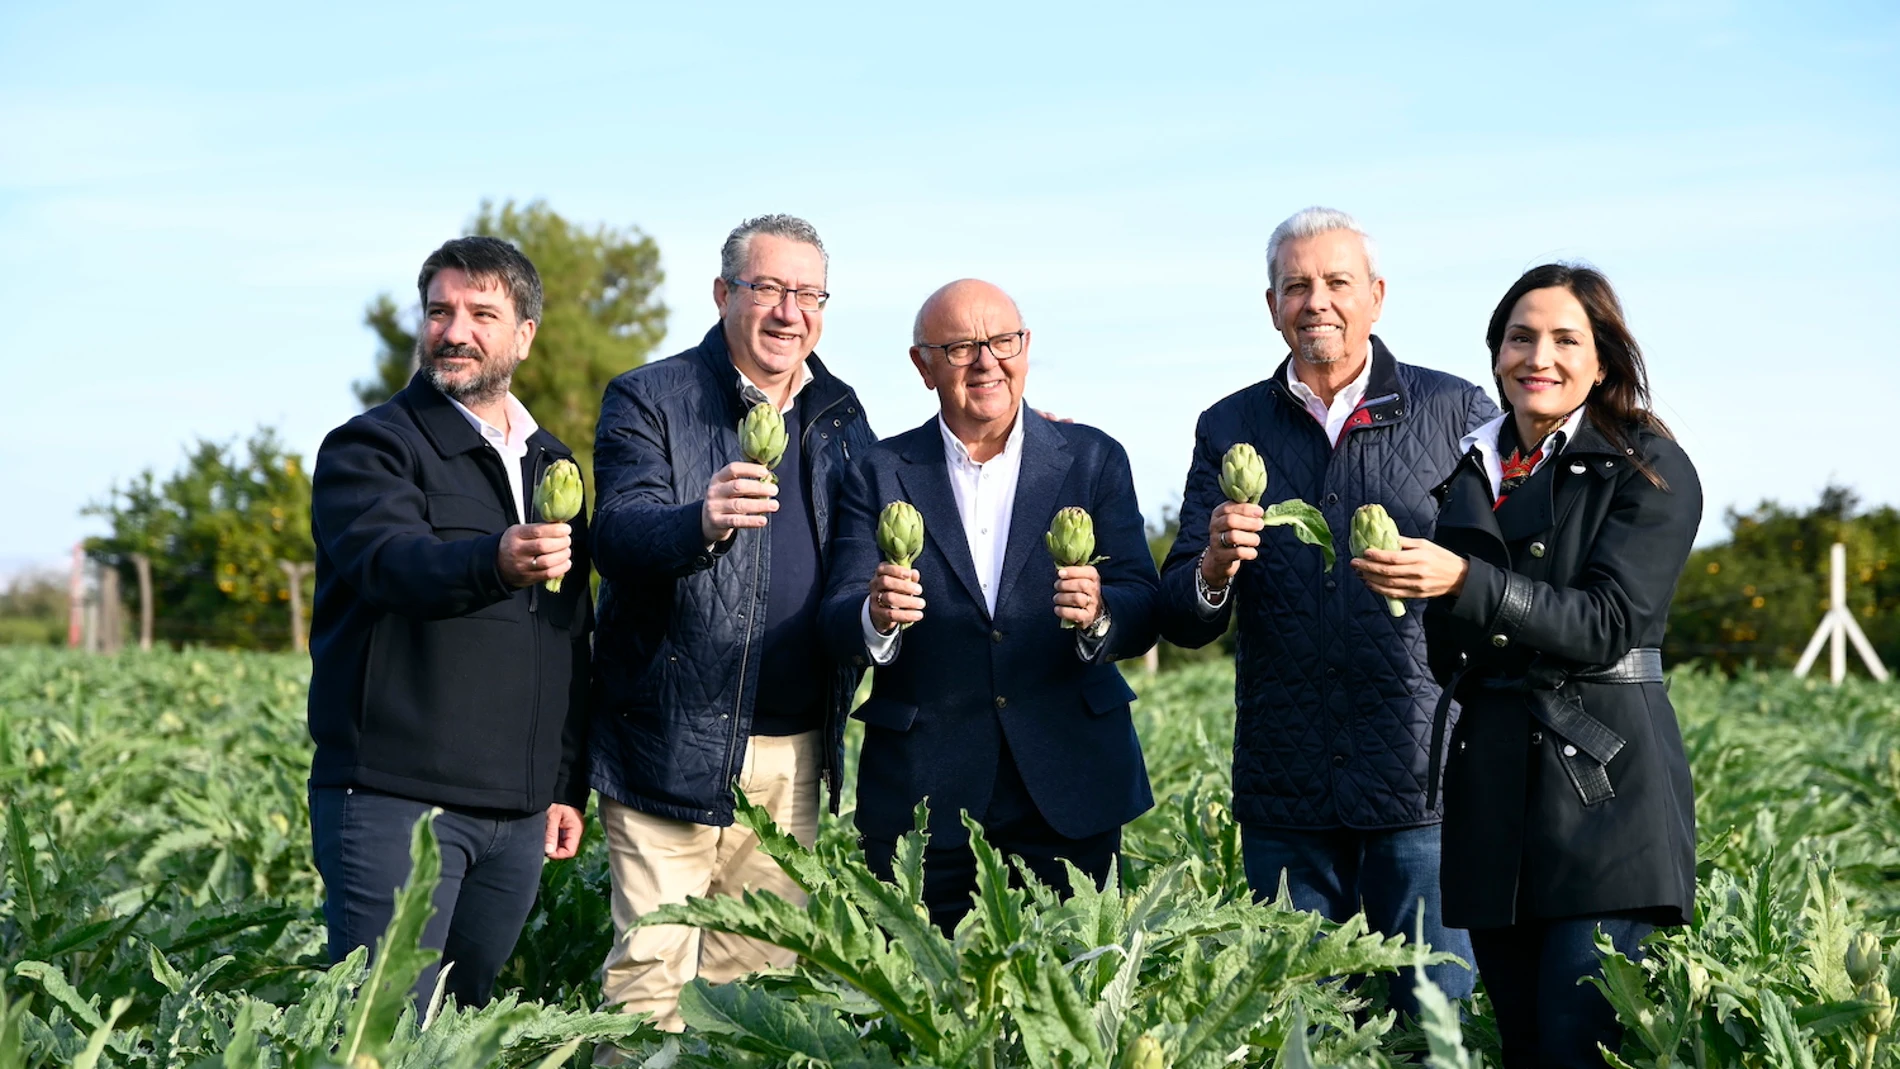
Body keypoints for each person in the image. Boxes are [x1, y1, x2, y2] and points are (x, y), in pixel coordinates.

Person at [1353, 264, 1700, 1067]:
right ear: (1497, 354)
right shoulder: (1475, 469)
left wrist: (1467, 582)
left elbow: (1611, 623)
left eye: (1564, 339)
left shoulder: (1649, 467)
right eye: (1519, 337)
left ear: (1603, 360)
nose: (1537, 356)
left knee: (1582, 1050)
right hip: (1494, 804)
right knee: (1524, 1048)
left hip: (1604, 801)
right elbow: (1455, 653)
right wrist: (1415, 591)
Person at [1157, 207, 1495, 1013]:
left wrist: (1449, 575)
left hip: (1425, 789)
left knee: (1437, 1027)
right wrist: (1212, 564)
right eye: (1296, 285)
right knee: (1308, 1030)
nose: (1317, 301)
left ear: (1376, 297)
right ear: (1271, 305)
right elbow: (1183, 613)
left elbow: (1506, 578)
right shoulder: (1228, 426)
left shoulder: (1459, 413)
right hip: (1287, 795)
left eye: (1337, 282)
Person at [587, 214, 876, 1032]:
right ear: (723, 295)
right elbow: (617, 531)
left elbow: (874, 536)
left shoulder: (842, 415)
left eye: (808, 294)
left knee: (756, 993)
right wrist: (699, 519)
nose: (790, 312)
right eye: (769, 289)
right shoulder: (650, 396)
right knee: (651, 983)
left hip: (796, 753)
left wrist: (1017, 439)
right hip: (671, 740)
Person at [819, 279, 1159, 931]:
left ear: (1025, 347)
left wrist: (1100, 614)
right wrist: (874, 614)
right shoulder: (878, 469)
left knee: (1074, 1002)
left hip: (1071, 784)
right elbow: (835, 616)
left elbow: (1144, 602)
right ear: (923, 365)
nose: (987, 361)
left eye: (1003, 341)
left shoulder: (1092, 458)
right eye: (962, 347)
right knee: (924, 1005)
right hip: (923, 795)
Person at [306, 236, 591, 1008]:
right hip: (397, 800)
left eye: (481, 313)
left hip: (518, 814)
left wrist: (564, 781)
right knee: (384, 1030)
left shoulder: (552, 467)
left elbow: (566, 633)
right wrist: (493, 560)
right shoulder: (371, 448)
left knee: (464, 1029)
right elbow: (390, 563)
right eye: (440, 311)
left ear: (524, 333)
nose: (454, 330)